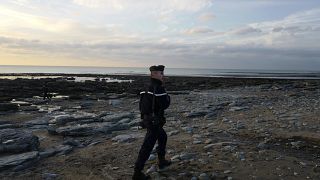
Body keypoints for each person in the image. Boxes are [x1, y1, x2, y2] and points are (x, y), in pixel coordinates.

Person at [132, 65, 172, 180]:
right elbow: (165, 104)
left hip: (147, 119)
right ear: (153, 74)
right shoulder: (158, 88)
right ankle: (137, 173)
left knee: (163, 137)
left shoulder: (146, 86)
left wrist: (144, 117)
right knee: (147, 146)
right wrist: (168, 97)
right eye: (160, 73)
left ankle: (162, 161)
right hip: (154, 121)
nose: (162, 75)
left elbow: (142, 103)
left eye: (162, 73)